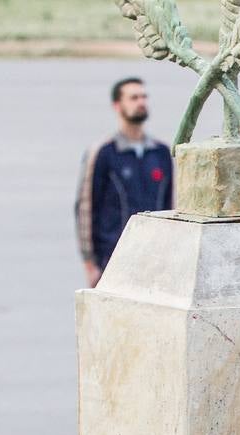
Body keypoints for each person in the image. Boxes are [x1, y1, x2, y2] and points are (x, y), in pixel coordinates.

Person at [74, 77, 173, 288]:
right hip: (113, 257)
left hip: (155, 257)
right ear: (117, 105)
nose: (141, 102)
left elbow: (171, 204)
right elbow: (85, 208)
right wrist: (90, 263)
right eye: (134, 98)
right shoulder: (103, 152)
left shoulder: (161, 152)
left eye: (144, 97)